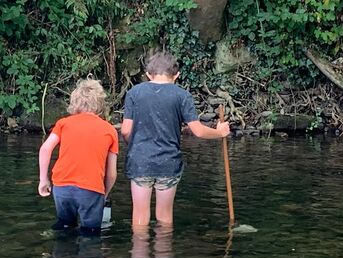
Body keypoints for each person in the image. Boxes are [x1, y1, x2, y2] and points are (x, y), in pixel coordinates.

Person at [121, 51, 230, 227]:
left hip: (140, 161)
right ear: (177, 75)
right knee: (164, 217)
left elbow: (126, 131)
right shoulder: (181, 95)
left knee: (140, 215)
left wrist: (135, 146)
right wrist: (220, 132)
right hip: (168, 163)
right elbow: (199, 132)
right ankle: (163, 254)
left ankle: (139, 253)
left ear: (148, 74)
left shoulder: (134, 93)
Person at [38, 78, 118, 234]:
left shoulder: (63, 123)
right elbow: (112, 174)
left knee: (65, 226)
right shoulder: (110, 130)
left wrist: (43, 179)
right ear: (101, 104)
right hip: (91, 188)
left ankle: (60, 255)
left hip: (61, 186)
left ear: (75, 102)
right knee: (90, 234)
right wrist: (104, 194)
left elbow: (45, 149)